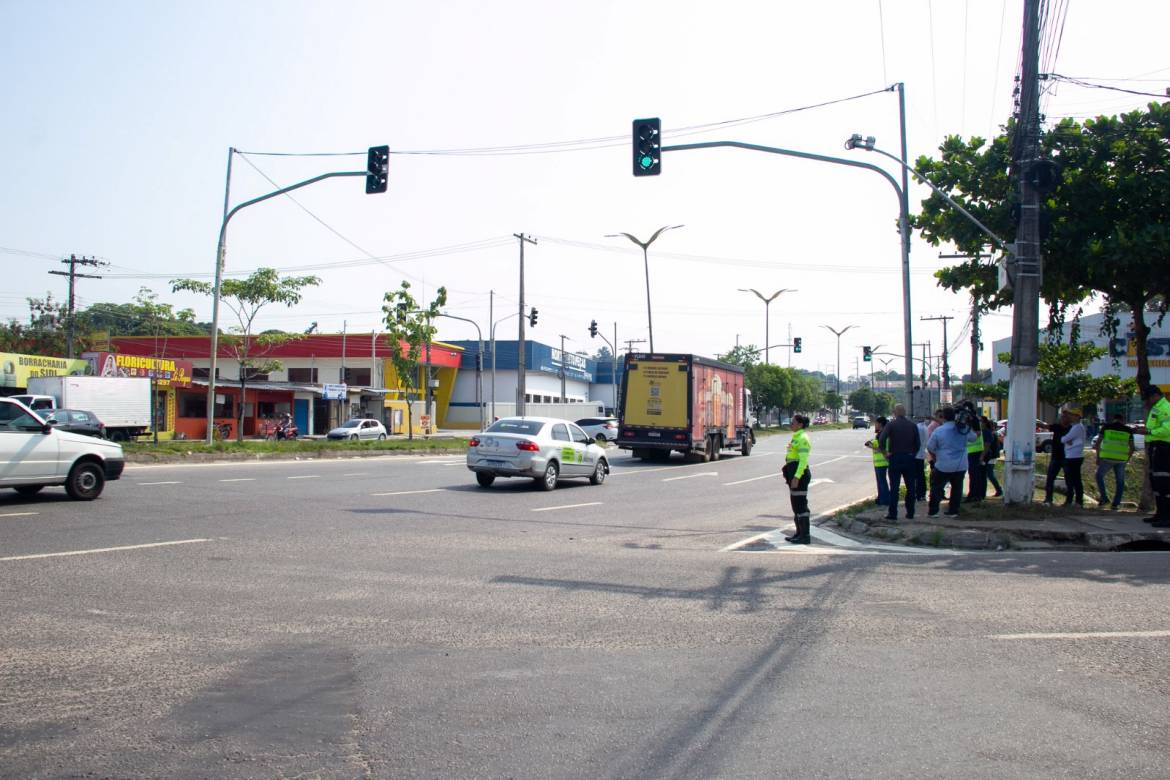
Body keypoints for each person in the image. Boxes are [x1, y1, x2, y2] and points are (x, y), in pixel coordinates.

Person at [927, 406, 979, 517]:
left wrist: (935, 459)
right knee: (957, 488)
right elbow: (974, 437)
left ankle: (933, 511)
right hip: (961, 465)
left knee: (936, 487)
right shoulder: (963, 429)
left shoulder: (939, 430)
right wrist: (968, 424)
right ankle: (953, 511)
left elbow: (930, 447)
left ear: (943, 417)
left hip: (943, 464)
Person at [879, 404, 921, 520]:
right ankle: (910, 512)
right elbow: (918, 444)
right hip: (909, 458)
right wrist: (913, 454)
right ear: (905, 412)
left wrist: (885, 453)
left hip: (895, 457)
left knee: (894, 488)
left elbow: (882, 440)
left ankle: (893, 513)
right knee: (911, 487)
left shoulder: (891, 425)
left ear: (895, 412)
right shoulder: (912, 425)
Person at [1139, 386, 1170, 527]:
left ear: (1156, 395)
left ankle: (1167, 517)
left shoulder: (1165, 407)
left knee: (1164, 482)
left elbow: (1167, 429)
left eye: (1149, 397)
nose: (1148, 401)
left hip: (1164, 446)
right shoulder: (1157, 406)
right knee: (1156, 482)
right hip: (1156, 446)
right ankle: (1160, 514)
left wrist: (1149, 431)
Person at [1094, 413, 1134, 510]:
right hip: (1121, 459)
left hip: (1107, 457)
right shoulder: (1128, 430)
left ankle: (1104, 498)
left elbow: (1098, 443)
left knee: (1099, 476)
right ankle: (1115, 504)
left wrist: (1098, 457)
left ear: (1114, 419)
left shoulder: (1106, 427)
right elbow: (1132, 447)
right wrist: (1127, 459)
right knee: (1120, 481)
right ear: (1122, 420)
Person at [783, 414, 813, 544]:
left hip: (799, 474)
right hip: (792, 472)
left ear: (800, 424)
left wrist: (796, 476)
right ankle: (799, 533)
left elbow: (803, 460)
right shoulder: (796, 437)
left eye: (793, 422)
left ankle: (805, 536)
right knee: (795, 505)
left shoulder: (803, 438)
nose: (791, 424)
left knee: (801, 505)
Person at [1042, 411, 1071, 505]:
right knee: (1050, 478)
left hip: (1067, 457)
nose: (1063, 419)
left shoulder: (1072, 429)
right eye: (1062, 417)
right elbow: (1045, 426)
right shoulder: (1057, 427)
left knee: (1069, 479)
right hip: (1056, 457)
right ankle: (1048, 499)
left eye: (1065, 417)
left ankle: (1069, 500)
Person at [1060, 408, 1087, 507]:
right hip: (1072, 455)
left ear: (1077, 416)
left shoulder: (1077, 428)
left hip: (1074, 456)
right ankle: (1074, 500)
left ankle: (1077, 501)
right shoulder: (1075, 427)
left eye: (1072, 415)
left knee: (1073, 479)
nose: (1070, 416)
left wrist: (1066, 440)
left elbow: (1064, 439)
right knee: (1072, 479)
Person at [964, 405, 988, 502]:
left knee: (975, 475)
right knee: (973, 475)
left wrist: (967, 429)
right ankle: (974, 494)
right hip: (972, 451)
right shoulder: (972, 419)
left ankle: (975, 495)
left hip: (974, 451)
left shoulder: (973, 420)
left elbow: (977, 433)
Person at [865, 417, 890, 508]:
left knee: (882, 482)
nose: (875, 425)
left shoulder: (882, 434)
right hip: (882, 461)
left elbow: (881, 448)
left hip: (882, 461)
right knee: (881, 482)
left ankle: (885, 500)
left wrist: (872, 446)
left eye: (876, 423)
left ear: (880, 424)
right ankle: (881, 499)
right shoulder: (883, 433)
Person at [981, 415, 1003, 498]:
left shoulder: (990, 434)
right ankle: (998, 490)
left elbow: (991, 447)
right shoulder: (992, 434)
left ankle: (999, 490)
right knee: (989, 474)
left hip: (991, 457)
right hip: (992, 456)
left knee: (989, 474)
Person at [914, 415, 930, 501]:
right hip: (921, 453)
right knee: (921, 475)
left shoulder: (918, 427)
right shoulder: (925, 427)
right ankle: (922, 494)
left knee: (917, 476)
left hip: (916, 454)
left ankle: (918, 493)